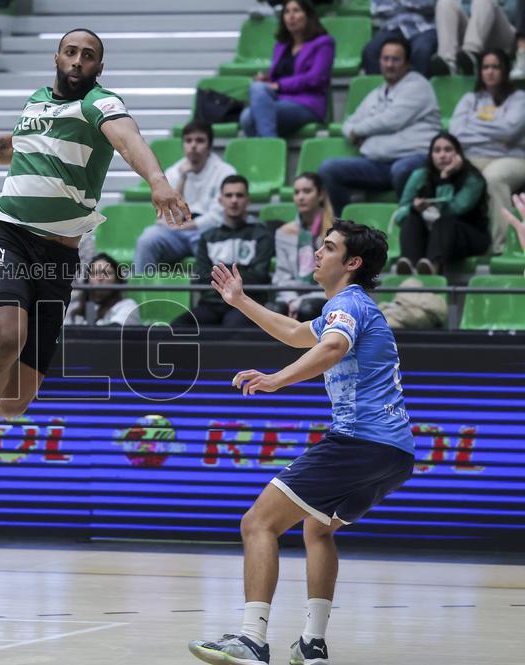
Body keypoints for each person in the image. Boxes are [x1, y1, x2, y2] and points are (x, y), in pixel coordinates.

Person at [0, 28, 190, 491]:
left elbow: (128, 141)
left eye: (88, 55)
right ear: (57, 56)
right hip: (7, 236)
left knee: (15, 399)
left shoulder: (100, 105)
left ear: (99, 67)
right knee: (6, 336)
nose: (78, 60)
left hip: (58, 260)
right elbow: (9, 149)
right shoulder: (36, 102)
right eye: (71, 52)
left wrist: (158, 179)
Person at [189, 219, 415, 665]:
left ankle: (251, 639)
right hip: (396, 453)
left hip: (359, 441)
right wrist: (239, 300)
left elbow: (331, 349)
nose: (317, 253)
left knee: (258, 523)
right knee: (317, 528)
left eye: (328, 247)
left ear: (352, 263)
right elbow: (296, 335)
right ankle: (313, 642)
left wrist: (275, 380)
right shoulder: (352, 306)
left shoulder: (348, 304)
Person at [319, 36, 441, 214]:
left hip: (414, 159)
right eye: (386, 59)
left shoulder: (418, 86)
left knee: (402, 170)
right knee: (329, 169)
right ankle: (344, 230)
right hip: (378, 164)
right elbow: (350, 122)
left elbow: (391, 120)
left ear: (407, 63)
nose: (390, 64)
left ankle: (409, 226)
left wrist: (358, 131)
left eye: (396, 59)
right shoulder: (377, 92)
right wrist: (353, 130)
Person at [133, 120, 236, 274]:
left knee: (214, 246)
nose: (193, 146)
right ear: (183, 145)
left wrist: (187, 226)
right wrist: (182, 177)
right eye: (188, 141)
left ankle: (212, 297)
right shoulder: (174, 172)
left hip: (207, 231)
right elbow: (166, 215)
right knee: (147, 240)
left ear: (209, 146)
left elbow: (218, 217)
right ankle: (142, 293)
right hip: (176, 231)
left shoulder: (225, 172)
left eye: (200, 141)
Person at [170, 175, 273, 328]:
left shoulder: (262, 235)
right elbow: (202, 276)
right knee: (178, 325)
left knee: (232, 325)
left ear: (248, 200)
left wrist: (220, 272)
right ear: (220, 200)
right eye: (229, 195)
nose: (234, 200)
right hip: (212, 302)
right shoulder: (208, 237)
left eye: (239, 195)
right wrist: (240, 273)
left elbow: (259, 275)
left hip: (247, 303)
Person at [449, 48, 525, 254]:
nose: (490, 71)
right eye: (485, 67)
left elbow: (510, 130)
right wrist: (497, 132)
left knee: (494, 177)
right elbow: (456, 133)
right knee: (445, 169)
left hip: (513, 158)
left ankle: (499, 245)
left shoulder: (519, 98)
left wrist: (473, 123)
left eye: (495, 67)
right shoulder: (470, 99)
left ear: (505, 70)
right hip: (474, 156)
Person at [395, 132, 489, 274]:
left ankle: (433, 268)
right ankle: (409, 266)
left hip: (468, 236)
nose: (442, 155)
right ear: (431, 155)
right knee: (411, 220)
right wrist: (414, 209)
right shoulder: (420, 176)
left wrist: (445, 177)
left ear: (458, 154)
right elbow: (399, 215)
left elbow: (452, 210)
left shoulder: (473, 179)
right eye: (437, 150)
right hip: (431, 236)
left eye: (448, 150)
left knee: (444, 222)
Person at [240, 0, 335, 138]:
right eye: (287, 12)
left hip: (307, 103)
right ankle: (271, 146)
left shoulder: (324, 43)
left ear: (308, 15)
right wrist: (266, 79)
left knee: (251, 115)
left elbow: (316, 78)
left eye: (296, 11)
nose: (291, 16)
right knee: (247, 115)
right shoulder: (281, 45)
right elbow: (278, 76)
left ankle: (269, 148)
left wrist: (279, 86)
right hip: (281, 100)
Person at [271, 172, 333, 320]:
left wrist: (299, 303)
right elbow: (282, 276)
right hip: (292, 294)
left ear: (320, 195)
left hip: (323, 294)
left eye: (307, 191)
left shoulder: (334, 231)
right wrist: (292, 300)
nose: (300, 197)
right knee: (274, 309)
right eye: (297, 192)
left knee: (307, 309)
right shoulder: (284, 232)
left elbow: (333, 280)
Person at [431, 0, 517, 76]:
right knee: (445, 2)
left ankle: (472, 54)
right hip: (473, 33)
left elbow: (516, 13)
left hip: (504, 34)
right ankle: (448, 62)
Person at [362, 0, 438, 77]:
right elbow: (379, 9)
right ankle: (382, 88)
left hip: (425, 27)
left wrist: (400, 4)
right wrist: (412, 6)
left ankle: (417, 88)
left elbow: (429, 4)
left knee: (421, 51)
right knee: (371, 51)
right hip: (393, 26)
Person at [66, 252, 140, 326]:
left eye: (107, 273)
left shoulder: (128, 306)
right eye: (95, 273)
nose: (100, 278)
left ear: (117, 280)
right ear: (87, 280)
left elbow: (112, 334)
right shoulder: (74, 307)